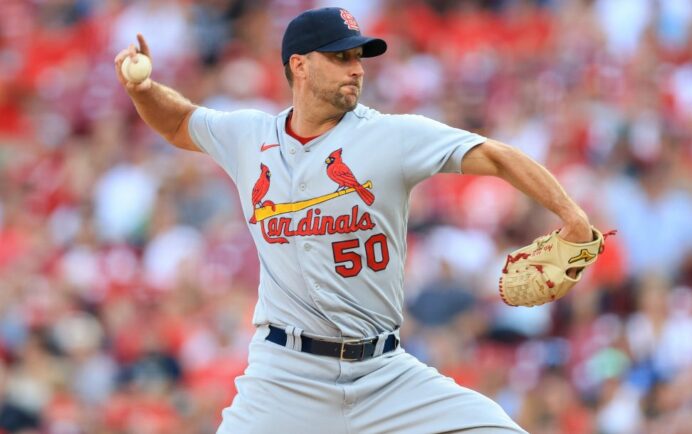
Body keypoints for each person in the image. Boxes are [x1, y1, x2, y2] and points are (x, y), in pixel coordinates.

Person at [115, 6, 593, 434]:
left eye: (359, 58)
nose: (357, 69)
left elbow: (496, 156)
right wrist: (143, 88)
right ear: (299, 65)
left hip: (384, 374)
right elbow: (180, 123)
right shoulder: (250, 136)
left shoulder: (391, 136)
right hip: (285, 377)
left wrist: (572, 219)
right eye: (341, 57)